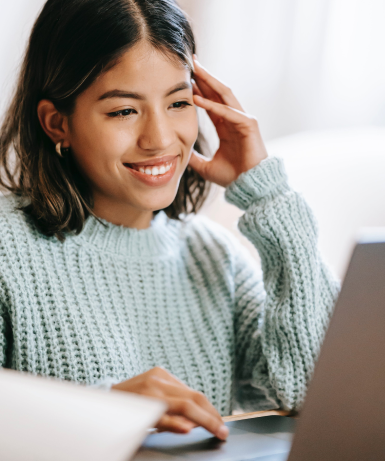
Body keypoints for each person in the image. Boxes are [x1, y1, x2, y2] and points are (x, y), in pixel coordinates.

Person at [0, 0, 339, 440]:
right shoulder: (8, 249)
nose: (160, 139)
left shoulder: (214, 257)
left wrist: (268, 195)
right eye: (124, 111)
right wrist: (102, 414)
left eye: (179, 103)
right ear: (56, 123)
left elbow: (317, 397)